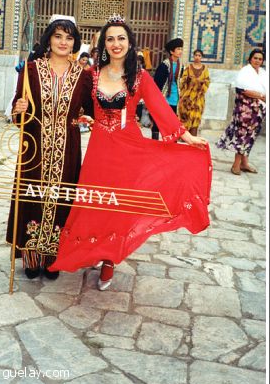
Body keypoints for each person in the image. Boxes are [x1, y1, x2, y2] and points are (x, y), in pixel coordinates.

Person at [50, 16, 211, 290]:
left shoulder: (139, 76)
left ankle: (110, 260)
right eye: (110, 39)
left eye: (121, 38)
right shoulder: (92, 75)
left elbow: (161, 109)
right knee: (96, 202)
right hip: (100, 149)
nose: (116, 44)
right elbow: (73, 100)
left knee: (119, 206)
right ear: (104, 43)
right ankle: (93, 250)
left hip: (129, 149)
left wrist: (186, 136)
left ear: (129, 42)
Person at [6, 15, 93, 280]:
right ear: (49, 39)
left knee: (60, 199)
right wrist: (18, 110)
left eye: (69, 37)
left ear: (75, 42)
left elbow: (92, 111)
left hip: (67, 149)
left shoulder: (83, 76)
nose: (63, 42)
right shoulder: (31, 70)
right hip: (34, 147)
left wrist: (89, 118)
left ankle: (52, 258)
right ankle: (31, 258)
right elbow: (18, 110)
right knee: (32, 198)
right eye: (58, 36)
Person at [216, 48, 266, 175]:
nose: (257, 61)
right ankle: (236, 165)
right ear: (250, 59)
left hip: (258, 112)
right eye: (255, 58)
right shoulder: (245, 72)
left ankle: (244, 163)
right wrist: (260, 95)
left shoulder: (262, 73)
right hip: (245, 110)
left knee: (251, 136)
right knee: (243, 136)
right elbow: (242, 90)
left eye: (260, 59)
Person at [151, 38, 184, 140]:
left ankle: (171, 144)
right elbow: (157, 83)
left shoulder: (181, 66)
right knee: (158, 121)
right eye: (178, 49)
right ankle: (155, 143)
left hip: (175, 99)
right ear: (171, 51)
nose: (180, 51)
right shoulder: (164, 65)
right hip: (164, 98)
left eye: (181, 49)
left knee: (173, 123)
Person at [178, 49, 210, 135]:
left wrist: (199, 84)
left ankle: (193, 136)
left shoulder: (205, 69)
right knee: (186, 115)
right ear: (193, 56)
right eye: (196, 55)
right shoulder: (188, 68)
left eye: (199, 55)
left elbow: (207, 81)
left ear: (201, 57)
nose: (197, 57)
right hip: (187, 97)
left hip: (198, 98)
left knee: (196, 116)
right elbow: (183, 80)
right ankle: (184, 136)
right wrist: (189, 81)